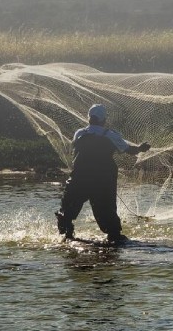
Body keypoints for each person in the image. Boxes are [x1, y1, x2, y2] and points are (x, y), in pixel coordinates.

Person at [55, 104, 150, 243]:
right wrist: (141, 148)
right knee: (107, 211)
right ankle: (114, 239)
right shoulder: (111, 135)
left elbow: (75, 149)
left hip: (79, 179)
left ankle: (66, 237)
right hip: (102, 181)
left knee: (67, 210)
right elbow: (128, 150)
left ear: (89, 119)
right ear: (104, 120)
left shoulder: (79, 133)